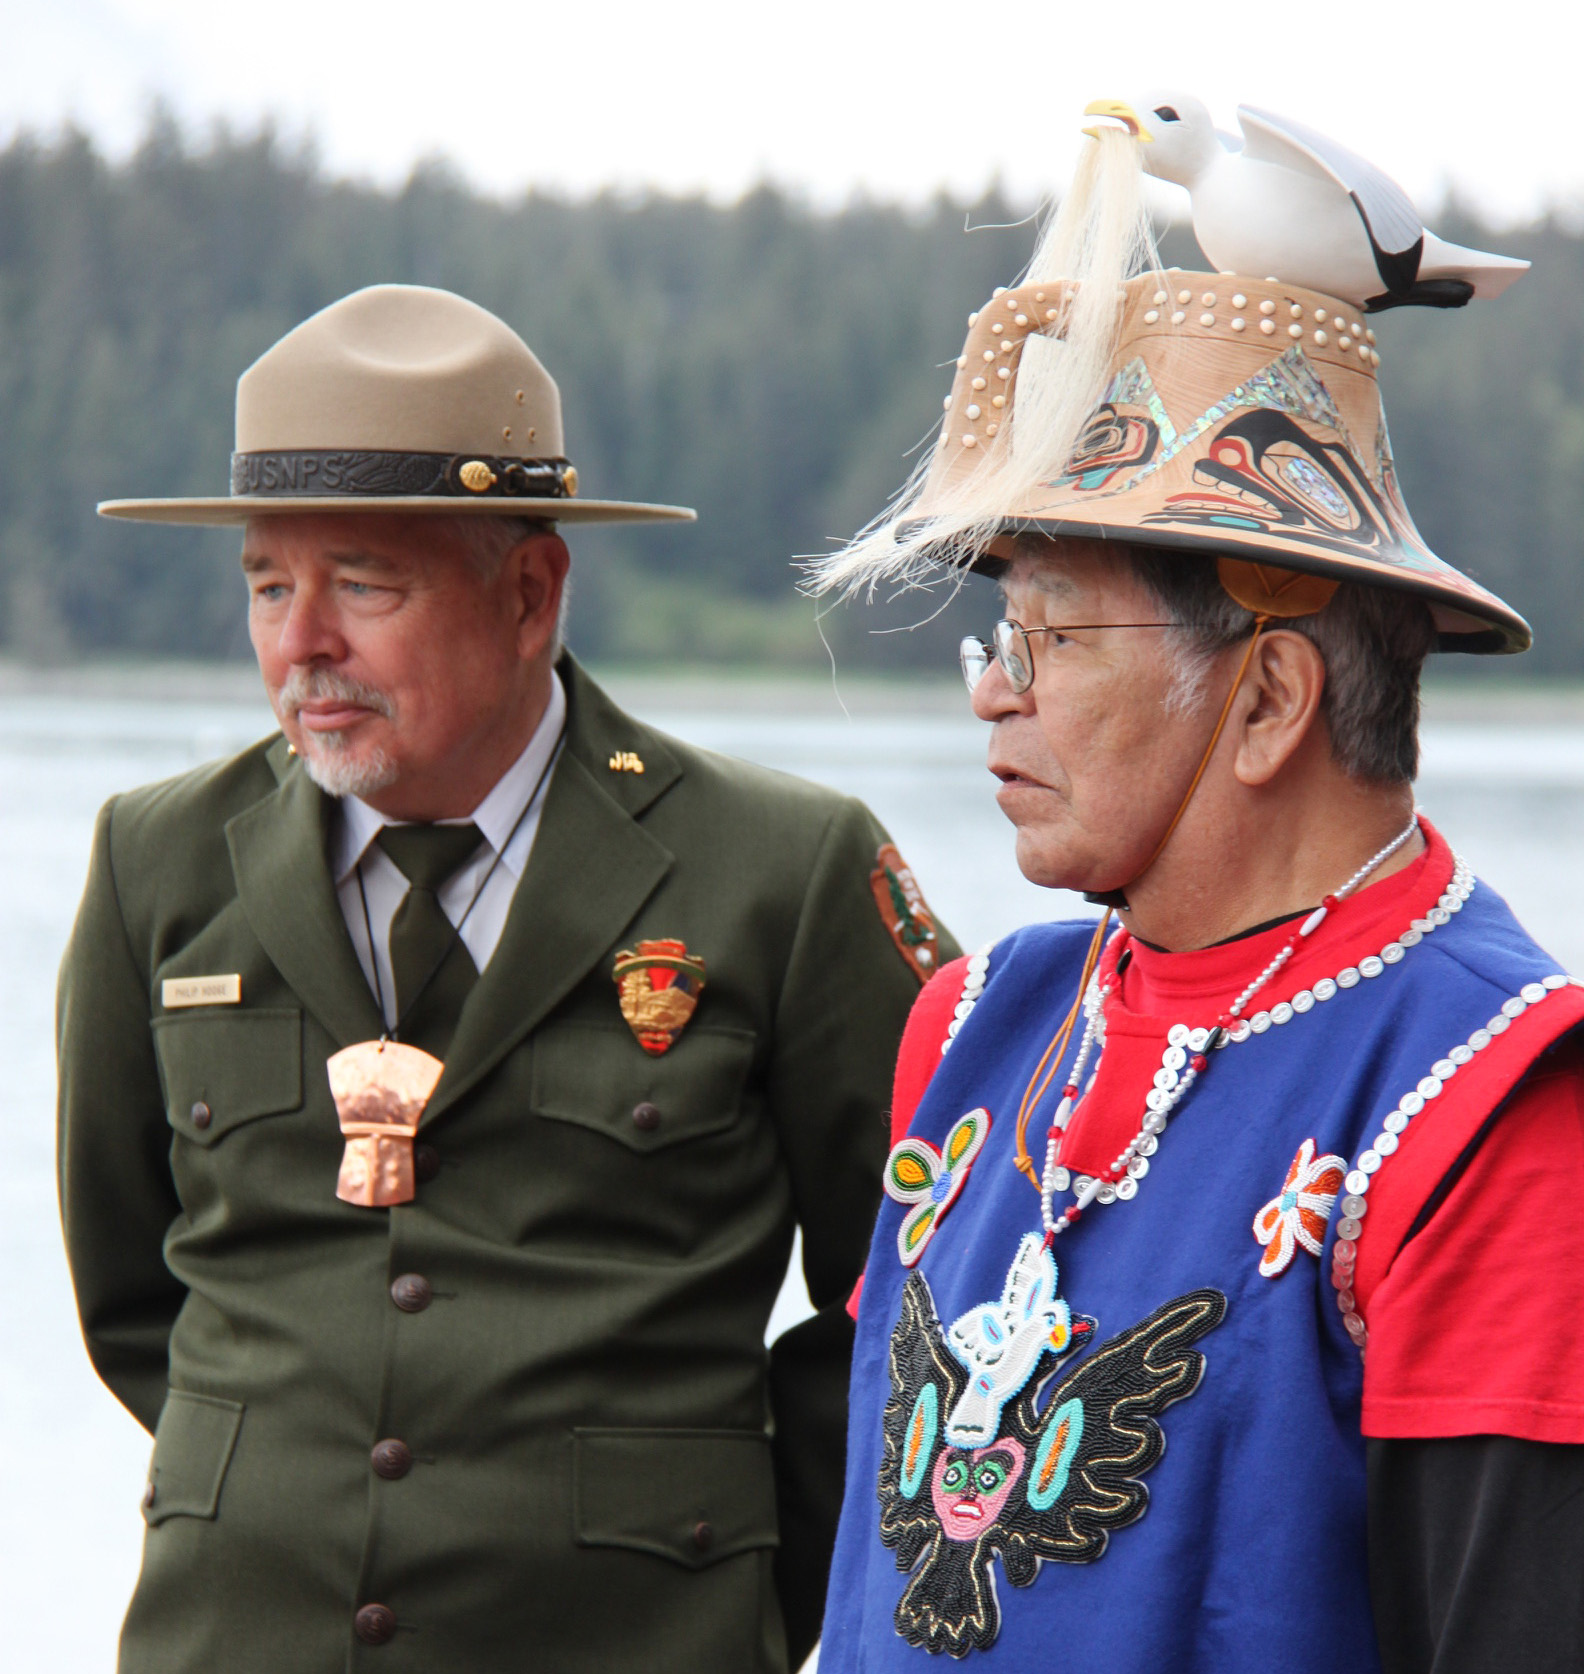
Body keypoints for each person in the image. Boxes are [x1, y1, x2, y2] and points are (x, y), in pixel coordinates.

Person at [57, 282, 957, 1674]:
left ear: (530, 592)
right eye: (267, 584)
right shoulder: (159, 865)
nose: (303, 644)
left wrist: (744, 1563)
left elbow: (928, 1275)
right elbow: (131, 1294)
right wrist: (278, 1477)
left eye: (364, 583)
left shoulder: (780, 870)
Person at [810, 111, 1584, 1673]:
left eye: (1055, 637)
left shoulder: (1494, 1106)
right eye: (997, 636)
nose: (992, 692)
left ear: (1270, 697)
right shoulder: (974, 1022)